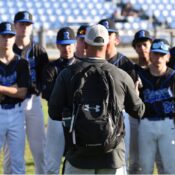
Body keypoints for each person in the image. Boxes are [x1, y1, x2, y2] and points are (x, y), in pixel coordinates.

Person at [48, 24, 145, 175]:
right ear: (107, 45)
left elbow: (53, 112)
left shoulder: (67, 74)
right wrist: (136, 95)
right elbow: (138, 111)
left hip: (78, 155)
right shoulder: (121, 75)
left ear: (85, 45)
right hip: (112, 156)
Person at [3, 11, 49, 174]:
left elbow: (44, 79)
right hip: (12, 104)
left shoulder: (39, 51)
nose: (24, 28)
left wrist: (27, 85)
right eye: (21, 24)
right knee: (10, 153)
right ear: (15, 26)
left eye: (28, 24)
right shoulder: (7, 47)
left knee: (39, 149)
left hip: (33, 102)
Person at [98, 18, 137, 167]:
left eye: (109, 34)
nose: (105, 37)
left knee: (120, 160)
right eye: (103, 33)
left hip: (120, 115)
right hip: (96, 115)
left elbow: (132, 96)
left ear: (117, 39)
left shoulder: (126, 64)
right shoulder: (92, 61)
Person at [136, 38, 175, 174]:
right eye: (156, 54)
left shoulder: (173, 76)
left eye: (162, 55)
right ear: (150, 55)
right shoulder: (141, 76)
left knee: (170, 168)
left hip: (168, 123)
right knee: (145, 167)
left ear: (168, 57)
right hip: (146, 123)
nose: (159, 58)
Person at [42, 27, 77, 174]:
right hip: (57, 118)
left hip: (77, 118)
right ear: (57, 45)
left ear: (74, 44)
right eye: (63, 44)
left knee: (76, 163)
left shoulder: (82, 66)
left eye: (69, 44)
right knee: (51, 164)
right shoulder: (51, 67)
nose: (66, 48)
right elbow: (48, 94)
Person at [0, 21, 30, 174]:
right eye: (3, 36)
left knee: (17, 162)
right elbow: (17, 90)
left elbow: (23, 92)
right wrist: (12, 89)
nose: (6, 39)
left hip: (16, 113)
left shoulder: (21, 63)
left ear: (14, 38)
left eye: (10, 36)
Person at [130, 29, 153, 174]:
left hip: (157, 118)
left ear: (151, 45)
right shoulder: (132, 71)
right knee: (134, 162)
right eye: (138, 45)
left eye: (145, 44)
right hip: (136, 119)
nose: (142, 48)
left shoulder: (163, 70)